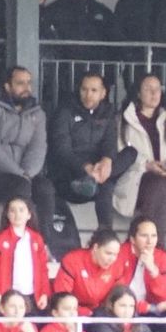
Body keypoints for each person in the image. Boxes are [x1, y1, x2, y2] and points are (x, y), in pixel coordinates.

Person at [113, 73, 166, 264]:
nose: (154, 93)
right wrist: (146, 165)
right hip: (138, 178)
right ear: (138, 93)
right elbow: (120, 154)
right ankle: (158, 249)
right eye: (148, 89)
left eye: (157, 89)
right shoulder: (124, 121)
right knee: (157, 186)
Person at [0, 66, 58, 246]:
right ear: (7, 86)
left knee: (45, 187)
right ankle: (18, 241)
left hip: (24, 175)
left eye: (29, 83)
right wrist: (20, 174)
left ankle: (43, 244)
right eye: (20, 83)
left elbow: (38, 148)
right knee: (20, 186)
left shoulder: (38, 113)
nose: (26, 87)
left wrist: (27, 173)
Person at [47, 72, 130, 229]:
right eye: (84, 90)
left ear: (103, 93)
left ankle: (94, 181)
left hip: (97, 172)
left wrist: (106, 160)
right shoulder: (65, 112)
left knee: (131, 153)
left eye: (93, 90)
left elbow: (109, 143)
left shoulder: (108, 113)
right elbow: (62, 150)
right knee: (106, 185)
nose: (88, 95)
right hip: (72, 176)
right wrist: (86, 168)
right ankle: (105, 235)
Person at [40, 0, 123, 100]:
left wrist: (108, 79)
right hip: (64, 89)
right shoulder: (55, 11)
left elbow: (117, 47)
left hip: (97, 86)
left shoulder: (103, 12)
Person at [0, 196, 51, 313]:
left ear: (29, 214)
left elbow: (43, 269)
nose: (17, 214)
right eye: (12, 210)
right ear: (7, 215)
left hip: (33, 297)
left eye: (21, 210)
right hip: (10, 298)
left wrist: (44, 293)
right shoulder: (0, 239)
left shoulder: (37, 239)